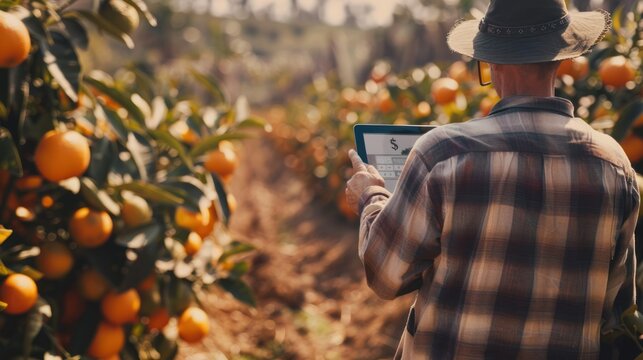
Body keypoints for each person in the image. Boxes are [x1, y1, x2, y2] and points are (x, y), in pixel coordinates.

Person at [345, 0, 639, 358]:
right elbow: (617, 311)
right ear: (562, 59)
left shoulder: (443, 153)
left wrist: (371, 196)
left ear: (490, 61)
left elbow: (387, 274)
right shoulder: (615, 166)